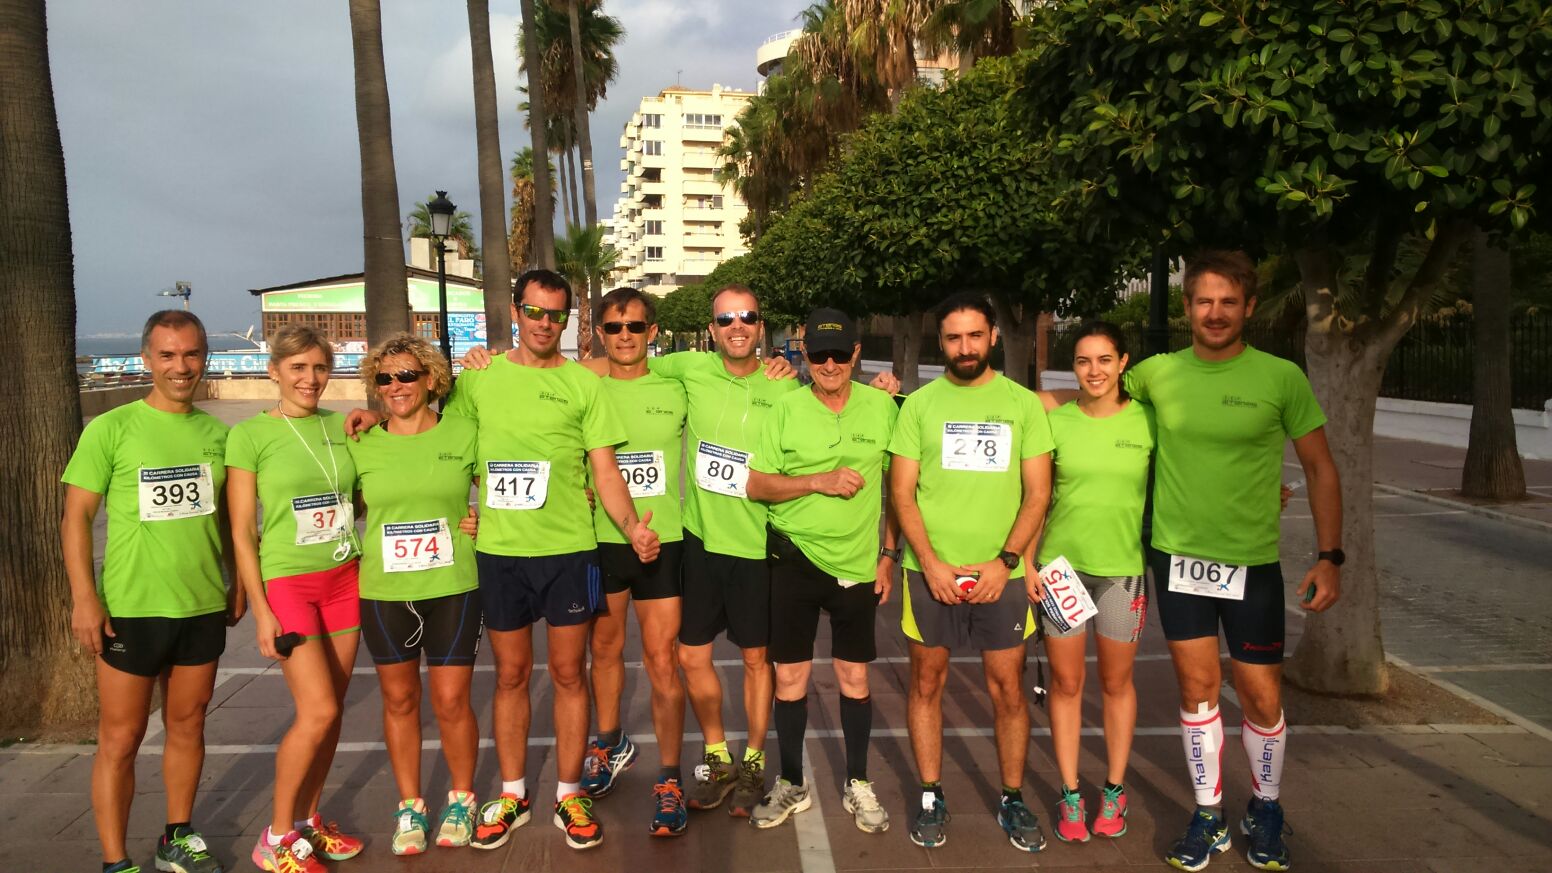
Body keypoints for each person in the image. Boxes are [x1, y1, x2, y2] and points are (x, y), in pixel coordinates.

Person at [1126, 251, 1342, 872]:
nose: (1215, 313)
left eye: (1228, 302)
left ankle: (1265, 807)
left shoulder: (1280, 378)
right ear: (1187, 307)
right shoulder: (1158, 373)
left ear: (1248, 307)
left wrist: (1330, 557)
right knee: (1197, 691)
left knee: (1260, 696)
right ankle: (1208, 815)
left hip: (1252, 564)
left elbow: (1321, 468)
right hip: (1179, 561)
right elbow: (1093, 393)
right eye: (1204, 301)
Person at [445, 269, 659, 852]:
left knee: (569, 674)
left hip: (568, 551)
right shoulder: (479, 379)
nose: (544, 324)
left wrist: (633, 528)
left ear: (568, 321)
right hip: (500, 553)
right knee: (510, 675)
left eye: (556, 315)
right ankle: (513, 794)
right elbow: (444, 450)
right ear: (516, 311)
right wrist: (370, 426)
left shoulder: (584, 385)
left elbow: (606, 471)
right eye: (535, 312)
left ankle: (569, 793)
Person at [62, 310, 240, 873]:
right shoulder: (111, 428)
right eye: (167, 355)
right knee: (122, 738)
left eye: (190, 354)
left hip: (202, 604)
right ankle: (115, 861)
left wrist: (237, 578)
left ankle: (177, 838)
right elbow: (75, 518)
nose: (180, 366)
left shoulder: (219, 436)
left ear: (204, 357)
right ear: (146, 360)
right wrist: (84, 598)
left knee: (189, 724)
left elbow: (229, 519)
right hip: (132, 609)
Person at [888, 292, 1054, 853]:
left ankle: (1012, 797)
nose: (965, 347)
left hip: (1001, 576)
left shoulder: (1022, 404)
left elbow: (1038, 494)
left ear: (993, 337)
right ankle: (930, 794)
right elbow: (902, 493)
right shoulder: (919, 406)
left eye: (975, 335)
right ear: (942, 342)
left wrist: (1005, 562)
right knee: (926, 684)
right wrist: (930, 564)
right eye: (954, 337)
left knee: (1008, 690)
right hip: (928, 573)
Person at [636, 284, 801, 818]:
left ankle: (753, 760)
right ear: (711, 329)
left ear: (760, 326)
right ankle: (717, 753)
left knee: (755, 659)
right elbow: (618, 363)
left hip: (757, 545)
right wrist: (502, 361)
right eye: (726, 319)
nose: (737, 326)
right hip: (701, 541)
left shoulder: (784, 384)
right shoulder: (690, 368)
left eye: (747, 317)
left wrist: (888, 389)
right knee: (691, 656)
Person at [744, 308, 898, 835]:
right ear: (804, 355)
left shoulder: (883, 407)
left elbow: (901, 487)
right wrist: (818, 481)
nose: (829, 365)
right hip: (793, 559)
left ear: (856, 353)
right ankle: (791, 781)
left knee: (854, 676)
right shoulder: (785, 409)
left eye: (839, 354)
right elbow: (756, 485)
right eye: (818, 355)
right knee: (790, 677)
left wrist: (888, 555)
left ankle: (858, 781)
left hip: (856, 564)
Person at [227, 325, 364, 872]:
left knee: (333, 714)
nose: (310, 378)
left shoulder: (343, 425)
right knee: (318, 710)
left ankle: (309, 821)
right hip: (289, 584)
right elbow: (242, 531)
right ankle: (276, 835)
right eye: (298, 368)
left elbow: (360, 497)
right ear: (275, 372)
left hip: (345, 578)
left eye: (319, 367)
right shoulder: (250, 436)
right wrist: (261, 610)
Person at [348, 333, 483, 855]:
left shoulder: (465, 432)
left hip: (453, 586)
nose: (396, 386)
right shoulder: (360, 441)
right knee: (401, 700)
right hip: (385, 591)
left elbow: (496, 486)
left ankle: (461, 799)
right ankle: (410, 805)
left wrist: (482, 518)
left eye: (407, 375)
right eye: (384, 378)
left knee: (451, 701)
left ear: (431, 379)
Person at [1030, 321, 1155, 844]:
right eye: (1083, 361)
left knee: (1116, 684)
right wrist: (1027, 564)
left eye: (1105, 359)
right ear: (1073, 368)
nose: (1094, 370)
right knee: (1066, 684)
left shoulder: (1149, 419)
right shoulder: (1055, 421)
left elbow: (1197, 466)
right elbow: (1036, 496)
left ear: (1123, 362)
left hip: (1122, 573)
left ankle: (1115, 789)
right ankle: (1070, 792)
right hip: (1061, 572)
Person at [577, 288, 692, 837]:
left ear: (653, 332)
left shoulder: (676, 386)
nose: (625, 336)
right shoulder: (584, 386)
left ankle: (669, 777)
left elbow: (740, 380)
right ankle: (609, 743)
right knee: (604, 649)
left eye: (636, 326)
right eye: (615, 327)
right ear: (601, 333)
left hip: (662, 541)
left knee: (661, 659)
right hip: (602, 540)